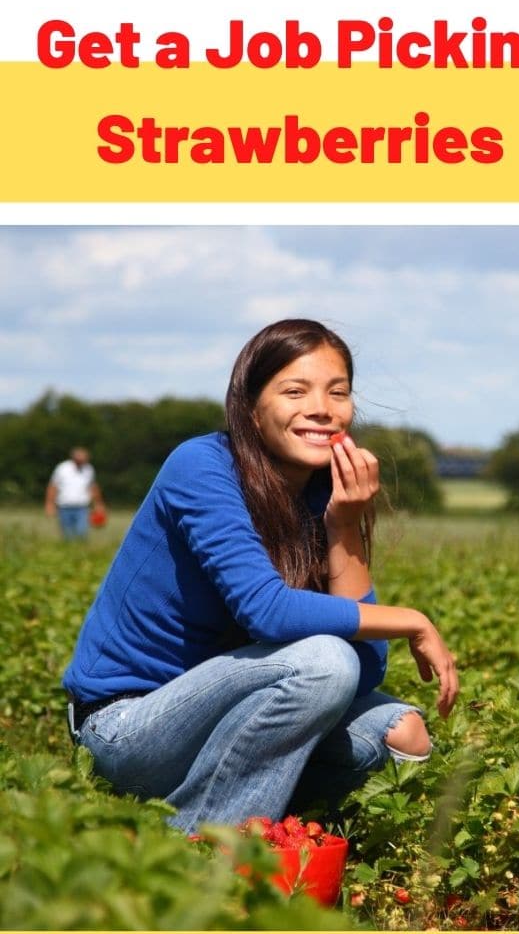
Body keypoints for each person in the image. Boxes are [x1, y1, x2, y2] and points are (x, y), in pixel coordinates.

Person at [62, 320, 458, 834]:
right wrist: (411, 620)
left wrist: (344, 525)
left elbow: (366, 671)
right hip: (127, 725)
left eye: (337, 392)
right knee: (323, 662)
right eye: (295, 390)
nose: (322, 407)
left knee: (402, 733)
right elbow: (266, 610)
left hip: (233, 715)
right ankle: (207, 849)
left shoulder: (324, 492)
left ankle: (241, 813)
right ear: (250, 408)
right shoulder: (202, 466)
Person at [45, 447, 104, 540]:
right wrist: (49, 504)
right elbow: (53, 487)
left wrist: (98, 504)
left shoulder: (89, 469)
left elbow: (93, 488)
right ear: (74, 458)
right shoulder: (62, 468)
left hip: (82, 508)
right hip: (64, 507)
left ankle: (81, 552)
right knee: (67, 535)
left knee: (82, 533)